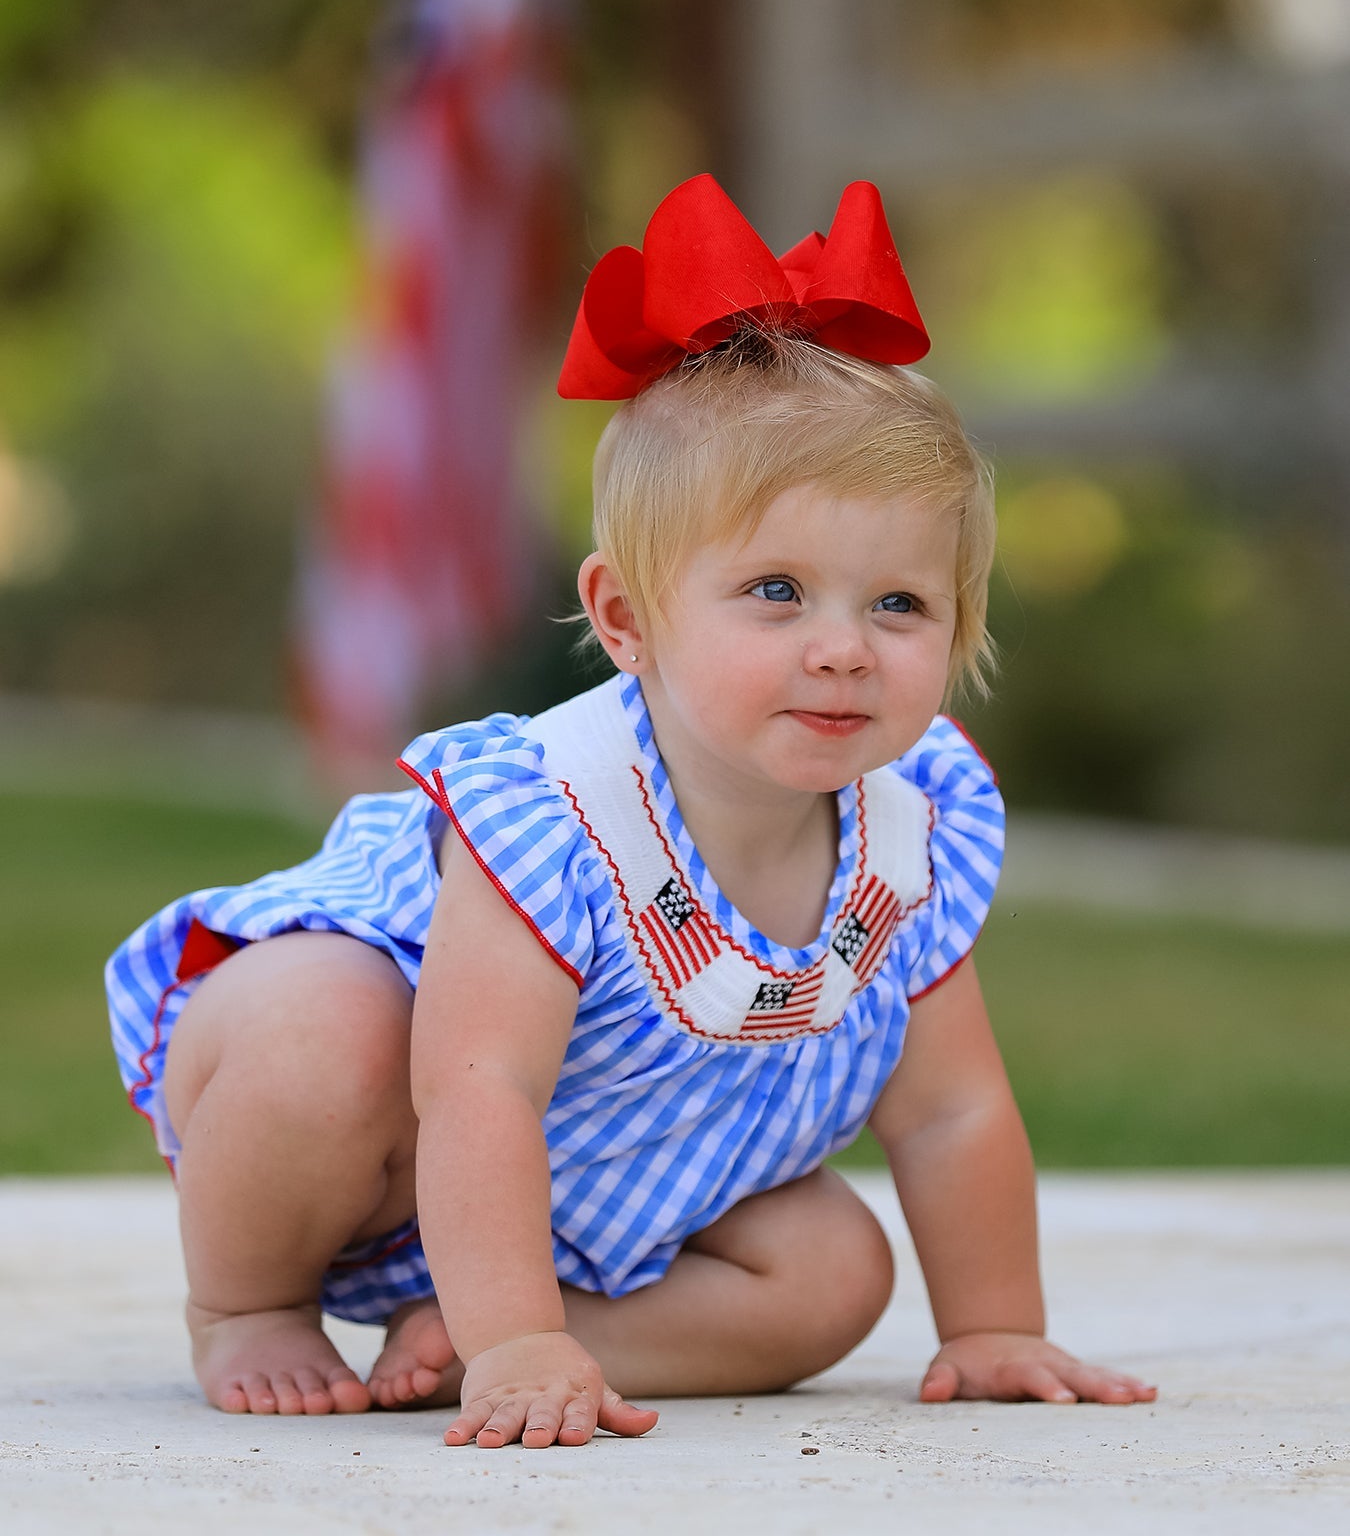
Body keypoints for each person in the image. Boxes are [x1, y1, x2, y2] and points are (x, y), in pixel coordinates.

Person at [106, 174, 1156, 1448]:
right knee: (323, 1034)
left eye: (899, 606)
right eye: (777, 591)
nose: (844, 648)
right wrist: (516, 1329)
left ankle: (494, 1339)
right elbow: (480, 1088)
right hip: (388, 1155)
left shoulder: (910, 833)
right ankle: (251, 1303)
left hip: (618, 1188)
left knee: (836, 1274)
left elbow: (951, 1109)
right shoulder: (557, 814)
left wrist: (992, 1323)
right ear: (625, 621)